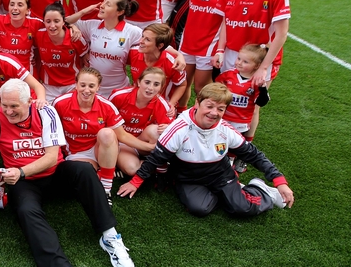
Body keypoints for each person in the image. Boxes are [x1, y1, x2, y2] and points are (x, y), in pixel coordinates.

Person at [0, 78, 135, 267]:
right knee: (26, 211)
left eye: (14, 106)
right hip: (23, 182)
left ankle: (109, 236)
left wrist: (22, 171)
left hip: (51, 173)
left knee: (84, 170)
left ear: (29, 101)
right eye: (5, 105)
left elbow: (51, 156)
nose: (9, 111)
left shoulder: (46, 112)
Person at [117, 82, 294, 216]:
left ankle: (262, 191)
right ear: (197, 103)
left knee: (240, 208)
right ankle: (231, 193)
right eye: (209, 106)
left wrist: (280, 181)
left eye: (221, 109)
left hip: (220, 174)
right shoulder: (178, 129)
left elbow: (254, 155)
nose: (214, 113)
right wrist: (135, 183)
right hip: (188, 178)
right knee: (198, 209)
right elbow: (156, 158)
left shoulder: (225, 130)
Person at [214, 0, 289, 151]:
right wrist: (220, 50)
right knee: (226, 100)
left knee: (252, 106)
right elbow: (225, 24)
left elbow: (281, 33)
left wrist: (264, 66)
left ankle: (245, 150)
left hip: (260, 60)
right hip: (232, 55)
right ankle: (221, 142)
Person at [53, 68, 147, 202]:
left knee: (107, 133)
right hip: (77, 152)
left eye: (91, 86)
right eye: (83, 85)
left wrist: (151, 147)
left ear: (98, 87)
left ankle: (106, 189)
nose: (86, 90)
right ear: (76, 84)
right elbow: (52, 132)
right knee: (80, 182)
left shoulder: (106, 105)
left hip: (100, 148)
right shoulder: (60, 103)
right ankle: (106, 172)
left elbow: (123, 136)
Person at [169, 0, 238, 113]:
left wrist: (220, 49)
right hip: (188, 40)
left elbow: (228, 21)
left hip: (210, 45)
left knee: (202, 88)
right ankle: (180, 114)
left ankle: (203, 119)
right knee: (182, 82)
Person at [74, 0, 142, 98]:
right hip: (91, 90)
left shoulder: (131, 31)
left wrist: (178, 55)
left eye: (108, 4)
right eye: (104, 1)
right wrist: (83, 12)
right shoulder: (92, 25)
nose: (102, 5)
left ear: (119, 12)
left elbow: (154, 42)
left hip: (118, 90)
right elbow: (64, 22)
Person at [215, 44, 270, 174]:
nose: (239, 63)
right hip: (224, 117)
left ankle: (233, 159)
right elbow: (216, 85)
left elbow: (262, 102)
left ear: (256, 66)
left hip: (241, 121)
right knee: (220, 138)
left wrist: (262, 88)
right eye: (239, 59)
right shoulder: (228, 74)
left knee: (235, 144)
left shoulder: (256, 82)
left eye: (245, 61)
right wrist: (215, 69)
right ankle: (219, 158)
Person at [109, 67, 173, 177]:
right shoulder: (119, 96)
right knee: (132, 169)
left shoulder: (163, 104)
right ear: (138, 82)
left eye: (156, 84)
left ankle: (157, 163)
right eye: (147, 82)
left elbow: (173, 134)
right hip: (121, 142)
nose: (150, 88)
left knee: (158, 130)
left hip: (141, 141)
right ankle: (157, 166)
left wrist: (168, 127)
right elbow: (106, 122)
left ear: (161, 88)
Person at [33, 2, 88, 102]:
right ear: (44, 22)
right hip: (48, 86)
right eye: (48, 21)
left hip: (72, 85)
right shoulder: (39, 35)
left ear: (63, 22)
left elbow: (86, 59)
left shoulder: (75, 37)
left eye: (56, 21)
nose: (52, 25)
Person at [128, 23, 186, 115]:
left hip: (160, 105)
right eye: (142, 36)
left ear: (159, 46)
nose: (140, 41)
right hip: (136, 101)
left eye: (147, 39)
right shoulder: (133, 53)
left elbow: (182, 85)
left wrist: (171, 103)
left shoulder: (172, 62)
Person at [0, 0, 43, 72]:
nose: (15, 8)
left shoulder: (36, 24)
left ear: (28, 10)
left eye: (20, 5)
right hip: (3, 72)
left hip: (27, 73)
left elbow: (54, 27)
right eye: (12, 4)